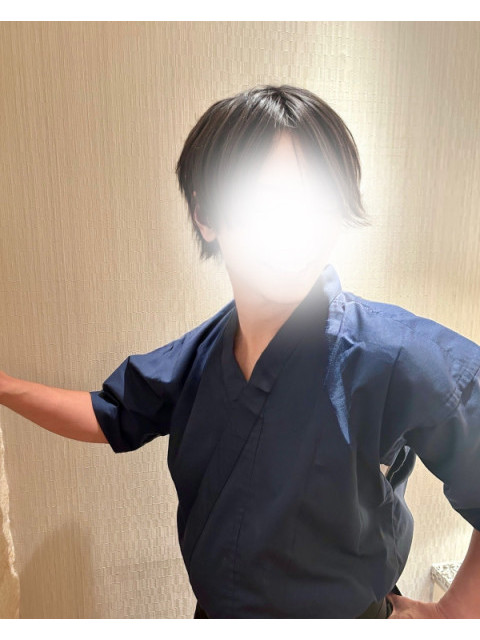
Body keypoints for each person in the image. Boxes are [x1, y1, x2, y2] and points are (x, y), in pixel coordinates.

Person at [1, 84, 479, 619]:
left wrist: (456, 612)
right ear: (205, 214)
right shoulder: (203, 353)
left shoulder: (393, 354)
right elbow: (109, 414)